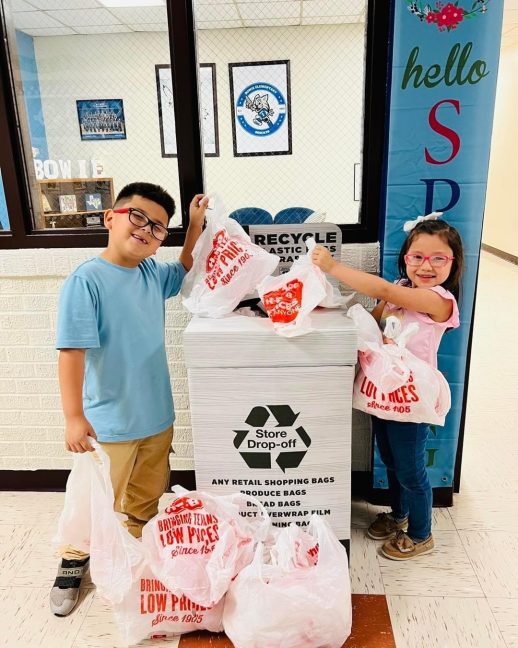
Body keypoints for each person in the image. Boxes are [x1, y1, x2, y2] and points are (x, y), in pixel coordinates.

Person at [50, 182, 208, 615]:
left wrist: (192, 227)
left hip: (157, 417)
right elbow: (71, 352)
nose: (146, 230)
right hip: (109, 424)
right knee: (91, 497)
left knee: (147, 497)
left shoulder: (152, 275)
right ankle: (73, 561)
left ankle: (138, 549)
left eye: (158, 227)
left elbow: (184, 267)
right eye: (138, 217)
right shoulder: (87, 280)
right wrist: (73, 416)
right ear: (111, 217)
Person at [312, 213, 464, 560]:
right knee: (391, 461)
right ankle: (399, 515)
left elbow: (379, 289)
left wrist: (332, 266)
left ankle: (422, 533)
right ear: (406, 259)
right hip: (383, 396)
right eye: (417, 257)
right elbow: (374, 316)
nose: (426, 266)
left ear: (452, 264)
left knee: (410, 468)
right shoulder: (402, 290)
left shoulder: (439, 300)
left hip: (411, 400)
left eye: (438, 258)